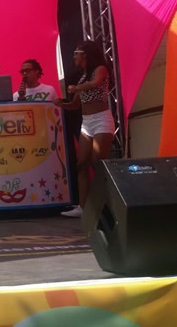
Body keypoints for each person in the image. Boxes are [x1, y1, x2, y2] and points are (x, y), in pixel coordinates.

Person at [53, 40, 115, 218]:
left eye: (76, 53)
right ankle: (83, 207)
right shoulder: (82, 76)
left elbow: (95, 83)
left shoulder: (100, 69)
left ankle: (107, 203)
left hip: (102, 119)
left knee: (97, 162)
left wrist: (76, 88)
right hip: (86, 122)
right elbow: (75, 105)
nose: (74, 57)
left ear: (85, 54)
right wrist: (62, 104)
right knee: (81, 164)